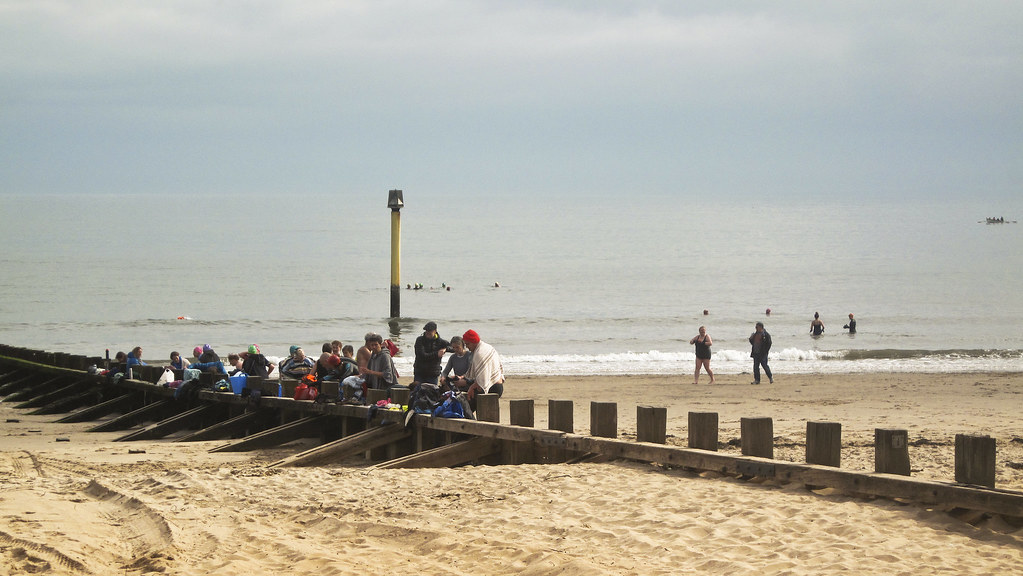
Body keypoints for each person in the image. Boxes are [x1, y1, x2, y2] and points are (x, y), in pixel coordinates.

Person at [450, 329, 504, 411]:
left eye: (468, 344)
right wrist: (464, 379)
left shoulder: (479, 353)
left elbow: (482, 380)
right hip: (497, 385)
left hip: (492, 388)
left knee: (467, 406)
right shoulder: (487, 347)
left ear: (474, 342)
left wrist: (471, 386)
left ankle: (467, 421)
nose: (467, 347)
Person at [413, 321, 450, 386]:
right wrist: (437, 354)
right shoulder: (420, 340)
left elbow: (453, 347)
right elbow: (422, 355)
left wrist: (445, 349)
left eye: (430, 331)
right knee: (417, 392)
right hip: (420, 372)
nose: (428, 333)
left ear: (435, 331)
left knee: (432, 393)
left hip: (433, 373)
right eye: (426, 331)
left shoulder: (440, 342)